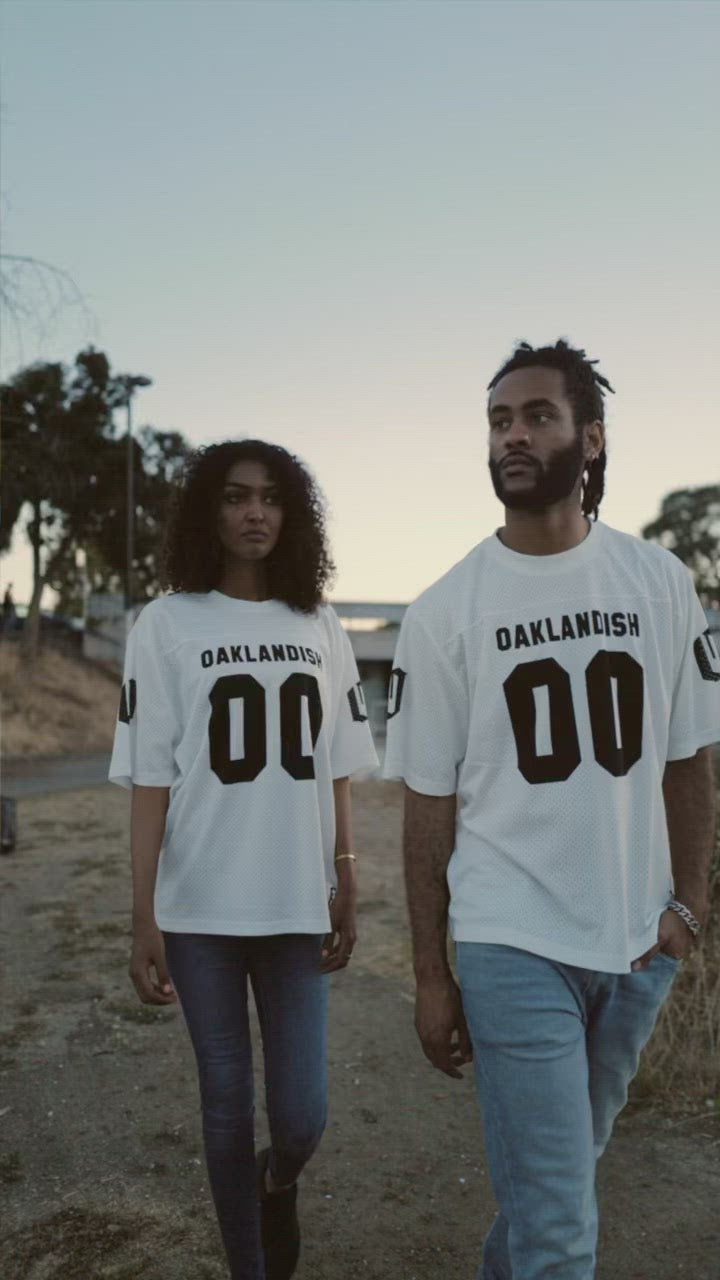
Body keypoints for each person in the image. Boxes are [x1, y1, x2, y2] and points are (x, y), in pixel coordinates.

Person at [383, 340, 719, 1280]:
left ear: (592, 438)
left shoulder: (660, 582)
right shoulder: (447, 608)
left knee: (552, 1194)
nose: (513, 436)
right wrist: (431, 972)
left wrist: (687, 907)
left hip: (638, 943)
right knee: (565, 1232)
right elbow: (426, 803)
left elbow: (689, 761)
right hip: (510, 939)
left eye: (537, 416)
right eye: (499, 421)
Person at [110, 440, 377, 1280]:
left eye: (270, 498)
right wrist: (142, 913)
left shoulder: (319, 623)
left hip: (295, 902)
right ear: (208, 512)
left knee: (302, 1115)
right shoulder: (164, 624)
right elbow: (150, 780)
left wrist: (346, 868)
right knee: (225, 1106)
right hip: (198, 908)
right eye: (235, 497)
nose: (254, 512)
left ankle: (278, 1181)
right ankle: (248, 1268)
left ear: (291, 515)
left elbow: (337, 763)